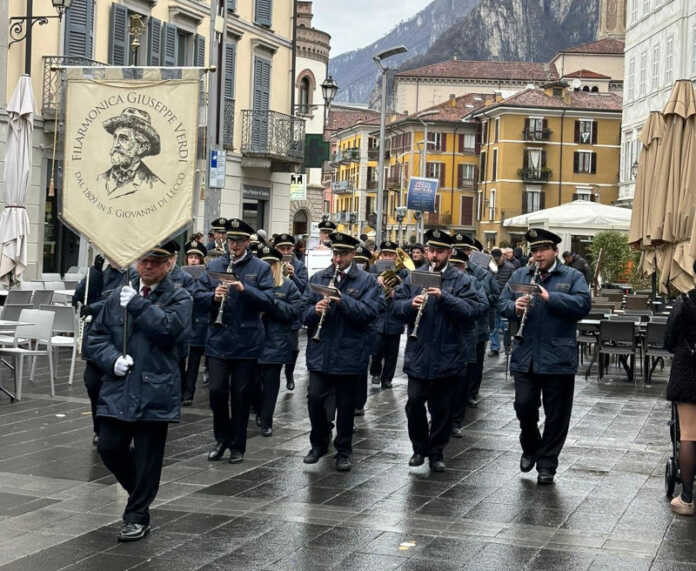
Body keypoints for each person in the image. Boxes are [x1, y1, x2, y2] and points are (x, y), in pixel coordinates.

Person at [87, 243, 193, 541]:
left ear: (168, 264)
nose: (147, 267)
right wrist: (111, 359)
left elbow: (169, 330)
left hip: (155, 387)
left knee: (147, 456)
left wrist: (137, 304)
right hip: (119, 386)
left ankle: (136, 515)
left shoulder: (179, 296)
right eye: (143, 261)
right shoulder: (119, 294)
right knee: (109, 447)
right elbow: (95, 338)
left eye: (155, 262)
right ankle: (141, 495)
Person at [498, 228, 590, 485]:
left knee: (557, 414)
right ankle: (530, 445)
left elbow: (583, 305)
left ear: (555, 251)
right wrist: (513, 307)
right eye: (534, 251)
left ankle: (547, 463)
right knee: (523, 406)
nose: (538, 255)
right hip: (525, 353)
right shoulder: (520, 274)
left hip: (557, 355)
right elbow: (501, 303)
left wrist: (552, 297)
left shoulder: (572, 276)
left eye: (543, 250)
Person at [393, 229, 487, 472]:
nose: (434, 256)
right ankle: (418, 448)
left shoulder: (461, 279)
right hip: (419, 350)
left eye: (439, 251)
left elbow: (474, 309)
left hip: (449, 352)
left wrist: (444, 297)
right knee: (414, 403)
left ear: (449, 252)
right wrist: (409, 305)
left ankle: (436, 452)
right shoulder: (416, 275)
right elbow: (396, 305)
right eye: (431, 250)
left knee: (441, 408)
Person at [194, 218, 274, 464]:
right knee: (217, 391)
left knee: (241, 395)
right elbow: (196, 296)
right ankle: (222, 438)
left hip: (247, 340)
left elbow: (270, 301)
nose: (234, 245)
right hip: (219, 339)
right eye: (231, 240)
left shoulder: (260, 268)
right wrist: (213, 296)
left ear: (247, 242)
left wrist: (244, 289)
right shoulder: (215, 265)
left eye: (238, 241)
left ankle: (238, 445)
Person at [301, 232, 381, 471]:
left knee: (346, 406)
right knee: (315, 399)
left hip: (349, 352)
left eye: (343, 254)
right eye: (335, 254)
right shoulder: (319, 277)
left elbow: (368, 314)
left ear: (353, 254)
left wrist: (340, 300)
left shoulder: (366, 281)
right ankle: (318, 443)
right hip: (320, 351)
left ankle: (344, 449)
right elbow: (300, 314)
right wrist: (314, 310)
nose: (338, 259)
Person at [73, 255, 137, 445]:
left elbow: (117, 298)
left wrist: (93, 307)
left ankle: (117, 427)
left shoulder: (132, 274)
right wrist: (94, 272)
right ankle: (98, 426)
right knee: (92, 383)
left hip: (119, 339)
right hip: (98, 340)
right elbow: (80, 294)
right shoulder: (103, 272)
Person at [256, 245, 301, 437]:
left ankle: (266, 420)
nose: (267, 268)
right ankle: (258, 411)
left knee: (271, 384)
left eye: (271, 264)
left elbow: (294, 311)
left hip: (276, 341)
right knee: (252, 383)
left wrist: (272, 304)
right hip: (253, 341)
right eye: (264, 264)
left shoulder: (288, 286)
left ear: (278, 265)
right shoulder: (253, 283)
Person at [452, 234, 500, 411]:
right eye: (456, 248)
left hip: (478, 326)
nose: (460, 252)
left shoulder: (482, 273)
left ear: (470, 252)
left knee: (475, 363)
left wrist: (479, 298)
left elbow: (496, 297)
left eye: (464, 249)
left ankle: (471, 393)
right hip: (454, 325)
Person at [665, 276, 696, 515]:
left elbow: (669, 340)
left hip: (689, 371)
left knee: (688, 433)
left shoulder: (685, 302)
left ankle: (686, 498)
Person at [97, 108, 164, 200]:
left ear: (142, 148)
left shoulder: (155, 186)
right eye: (115, 138)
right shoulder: (100, 179)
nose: (116, 145)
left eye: (123, 139)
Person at [272, 233, 308, 391]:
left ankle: (290, 374)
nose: (285, 252)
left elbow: (304, 288)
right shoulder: (271, 263)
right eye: (282, 248)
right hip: (275, 311)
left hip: (292, 314)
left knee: (293, 348)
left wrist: (293, 276)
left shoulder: (299, 265)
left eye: (288, 248)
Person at [370, 240, 407, 389]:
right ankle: (375, 372)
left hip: (394, 316)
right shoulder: (373, 269)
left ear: (395, 257)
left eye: (391, 255)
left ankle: (387, 379)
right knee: (376, 349)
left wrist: (395, 292)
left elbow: (407, 290)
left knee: (392, 352)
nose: (387, 257)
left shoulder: (403, 272)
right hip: (378, 316)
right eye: (385, 254)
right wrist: (375, 279)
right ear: (380, 255)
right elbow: (364, 283)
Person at [354, 245, 381, 415]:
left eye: (362, 262)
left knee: (361, 370)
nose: (359, 265)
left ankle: (359, 403)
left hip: (366, 331)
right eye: (356, 262)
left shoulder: (371, 280)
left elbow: (378, 307)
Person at [181, 239, 208, 406]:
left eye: (196, 257)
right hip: (183, 324)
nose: (193, 260)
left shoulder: (205, 276)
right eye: (190, 257)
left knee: (193, 362)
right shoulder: (179, 275)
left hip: (199, 323)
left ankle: (188, 393)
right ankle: (180, 390)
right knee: (179, 361)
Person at [489, 248, 515, 357]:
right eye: (494, 259)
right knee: (494, 327)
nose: (497, 261)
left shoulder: (510, 268)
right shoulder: (490, 268)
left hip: (505, 301)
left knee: (506, 327)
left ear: (502, 257)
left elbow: (513, 285)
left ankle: (507, 347)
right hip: (494, 301)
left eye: (498, 259)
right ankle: (494, 348)